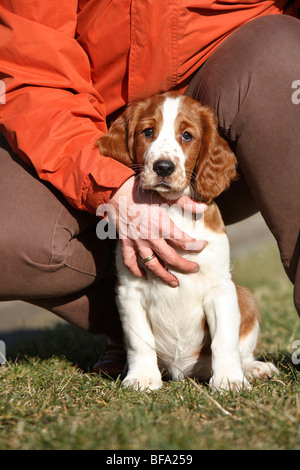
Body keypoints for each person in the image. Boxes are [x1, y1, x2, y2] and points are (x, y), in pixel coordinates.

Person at [0, 2, 299, 376]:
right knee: (8, 234)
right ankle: (137, 338)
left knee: (283, 51)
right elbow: (32, 68)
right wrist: (111, 184)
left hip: (235, 87)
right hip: (91, 125)